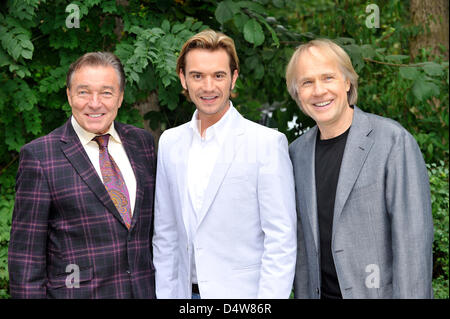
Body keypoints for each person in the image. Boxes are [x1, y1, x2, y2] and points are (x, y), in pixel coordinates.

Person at [152, 29, 297, 299]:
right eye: (197, 76)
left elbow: (281, 240)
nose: (208, 87)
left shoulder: (266, 144)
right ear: (183, 78)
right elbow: (166, 235)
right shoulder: (170, 143)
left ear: (234, 78)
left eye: (218, 75)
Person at [286, 39, 434, 299]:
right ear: (297, 92)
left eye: (328, 77)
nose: (319, 90)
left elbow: (413, 248)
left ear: (346, 82)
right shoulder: (296, 153)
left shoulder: (392, 142)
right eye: (307, 82)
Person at [8, 52, 156, 298]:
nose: (95, 103)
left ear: (120, 97)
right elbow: (25, 262)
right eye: (84, 92)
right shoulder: (40, 157)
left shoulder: (143, 144)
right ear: (69, 95)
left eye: (106, 93)